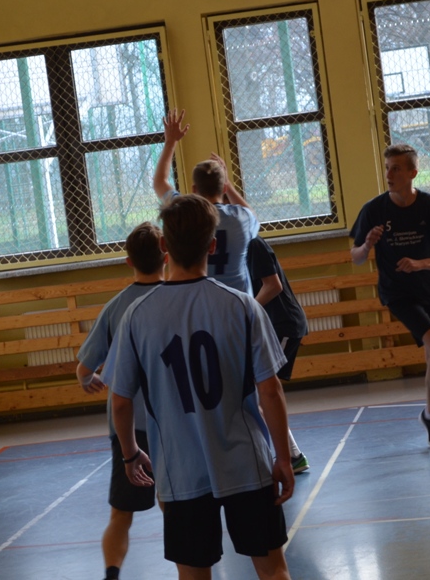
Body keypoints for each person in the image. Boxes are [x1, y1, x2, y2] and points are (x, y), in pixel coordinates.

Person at [109, 194, 295, 580]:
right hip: (247, 465)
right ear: (212, 245)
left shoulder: (137, 316)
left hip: (181, 472)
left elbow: (122, 401)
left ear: (164, 245)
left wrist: (130, 454)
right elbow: (271, 391)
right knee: (273, 570)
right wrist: (282, 457)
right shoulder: (242, 306)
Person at [349, 144, 430, 447]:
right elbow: (356, 257)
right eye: (387, 168)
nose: (389, 174)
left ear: (412, 173)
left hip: (429, 288)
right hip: (397, 292)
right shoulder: (374, 209)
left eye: (396, 168)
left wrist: (422, 263)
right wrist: (367, 245)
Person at [76, 222, 166, 580]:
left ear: (129, 261)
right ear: (166, 255)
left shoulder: (115, 308)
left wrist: (89, 380)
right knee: (177, 504)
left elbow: (84, 367)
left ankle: (112, 574)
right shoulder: (177, 297)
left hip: (128, 427)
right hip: (172, 420)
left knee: (120, 514)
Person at [153, 108, 259, 295]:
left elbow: (159, 182)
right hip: (238, 301)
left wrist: (171, 142)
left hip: (201, 299)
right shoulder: (241, 218)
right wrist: (228, 184)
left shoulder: (185, 213)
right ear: (224, 189)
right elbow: (251, 214)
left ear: (194, 189)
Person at [246, 235, 310, 474]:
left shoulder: (254, 244)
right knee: (255, 392)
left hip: (283, 324)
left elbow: (273, 286)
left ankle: (291, 456)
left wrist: (245, 310)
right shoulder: (234, 250)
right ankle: (292, 455)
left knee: (261, 391)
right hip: (273, 325)